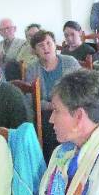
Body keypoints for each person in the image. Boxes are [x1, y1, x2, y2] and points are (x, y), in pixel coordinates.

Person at [25, 30, 81, 158]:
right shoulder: (32, 69)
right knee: (48, 123)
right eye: (40, 45)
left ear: (55, 44)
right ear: (34, 51)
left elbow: (82, 89)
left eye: (48, 43)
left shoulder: (70, 62)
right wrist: (52, 106)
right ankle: (53, 162)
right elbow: (31, 100)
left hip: (71, 108)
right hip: (46, 113)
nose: (46, 48)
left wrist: (65, 106)